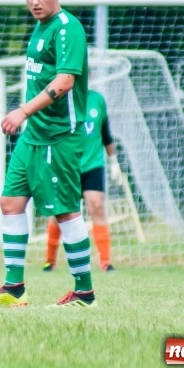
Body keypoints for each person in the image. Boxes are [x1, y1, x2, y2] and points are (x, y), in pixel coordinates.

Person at [0, 0, 94, 309]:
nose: (35, 2)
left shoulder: (67, 28)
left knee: (65, 211)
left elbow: (65, 81)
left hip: (59, 136)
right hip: (33, 136)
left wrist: (23, 111)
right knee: (10, 202)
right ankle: (14, 288)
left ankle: (85, 293)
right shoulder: (40, 28)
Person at [44, 88, 122, 272]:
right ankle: (50, 261)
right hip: (67, 165)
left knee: (96, 205)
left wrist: (113, 161)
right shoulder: (60, 99)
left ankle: (105, 262)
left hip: (93, 164)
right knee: (60, 211)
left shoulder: (97, 100)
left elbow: (106, 134)